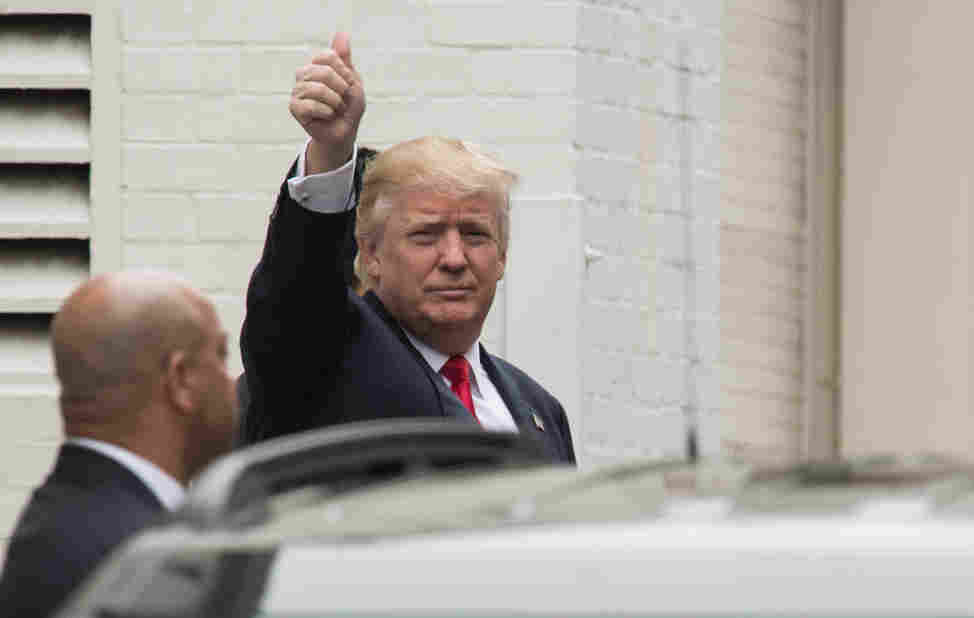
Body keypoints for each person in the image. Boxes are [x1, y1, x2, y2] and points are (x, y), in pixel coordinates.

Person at [239, 32, 574, 462]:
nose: (454, 259)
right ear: (371, 254)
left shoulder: (540, 410)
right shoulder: (329, 357)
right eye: (426, 235)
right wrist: (331, 152)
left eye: (475, 235)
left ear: (503, 255)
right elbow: (297, 297)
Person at [0, 272, 237, 618]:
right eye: (220, 355)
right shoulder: (143, 564)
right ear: (181, 379)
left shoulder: (61, 528)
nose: (230, 382)